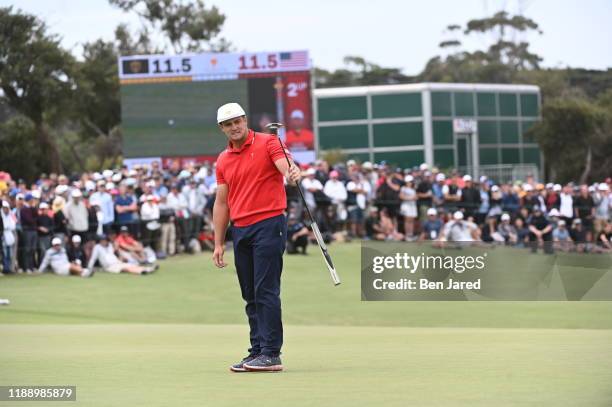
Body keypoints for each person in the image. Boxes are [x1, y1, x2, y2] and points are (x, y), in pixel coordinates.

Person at [212, 102, 300, 373]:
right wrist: (218, 243)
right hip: (241, 229)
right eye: (228, 124)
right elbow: (222, 203)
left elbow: (285, 166)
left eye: (237, 121)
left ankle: (272, 353)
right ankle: (257, 350)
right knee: (250, 292)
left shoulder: (269, 142)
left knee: (265, 289)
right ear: (222, 129)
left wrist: (292, 172)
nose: (234, 127)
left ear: (245, 120)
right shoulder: (223, 160)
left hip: (269, 223)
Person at [87, 234, 156, 274]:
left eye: (105, 240)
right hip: (109, 266)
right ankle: (141, 272)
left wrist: (119, 258)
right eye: (102, 240)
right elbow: (93, 258)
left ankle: (148, 269)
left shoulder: (110, 245)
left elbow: (113, 254)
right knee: (125, 268)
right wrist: (89, 268)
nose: (104, 242)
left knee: (130, 265)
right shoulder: (97, 247)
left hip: (116, 262)